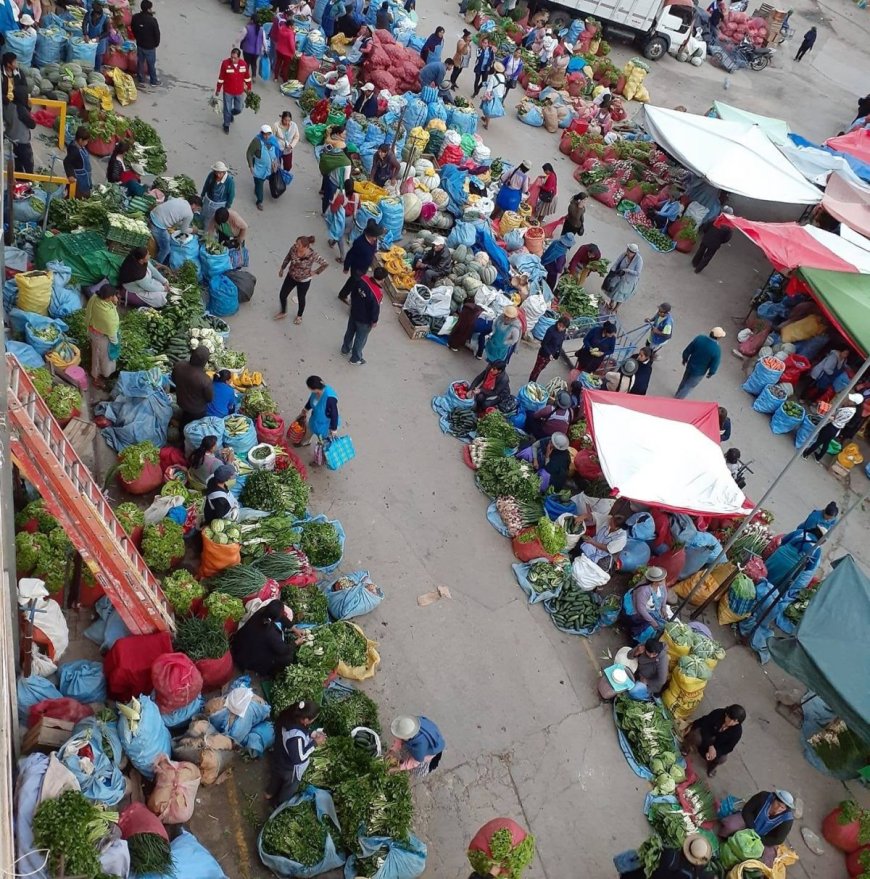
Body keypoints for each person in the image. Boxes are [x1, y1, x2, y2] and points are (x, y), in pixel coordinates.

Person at [266, 700, 325, 803]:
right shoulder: (295, 738)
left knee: (276, 776)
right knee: (290, 786)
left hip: (279, 755)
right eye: (313, 719)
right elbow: (298, 758)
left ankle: (269, 793)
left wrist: (311, 733)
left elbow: (300, 730)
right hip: (289, 767)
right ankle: (280, 804)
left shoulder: (289, 715)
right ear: (306, 720)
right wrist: (315, 743)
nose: (313, 721)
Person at [231, 599, 296, 677]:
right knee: (287, 658)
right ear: (275, 618)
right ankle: (268, 673)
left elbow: (280, 616)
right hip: (247, 657)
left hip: (240, 644)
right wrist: (296, 643)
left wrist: (293, 628)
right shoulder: (270, 633)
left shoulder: (263, 611)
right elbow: (283, 650)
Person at [275, 235, 328, 324]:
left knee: (301, 298)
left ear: (306, 247)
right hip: (291, 276)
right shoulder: (293, 249)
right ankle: (283, 311)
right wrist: (282, 268)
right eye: (296, 243)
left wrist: (315, 272)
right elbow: (288, 257)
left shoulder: (313, 255)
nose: (296, 246)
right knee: (282, 295)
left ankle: (299, 316)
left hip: (304, 281)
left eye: (299, 245)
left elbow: (325, 264)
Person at [682, 705, 746, 777]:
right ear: (726, 714)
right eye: (730, 718)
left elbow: (729, 747)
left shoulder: (737, 732)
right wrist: (710, 745)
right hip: (705, 737)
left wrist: (715, 752)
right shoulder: (718, 714)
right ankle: (686, 747)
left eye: (735, 721)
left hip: (716, 747)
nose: (730, 722)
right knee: (695, 736)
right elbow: (705, 727)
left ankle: (711, 767)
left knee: (722, 758)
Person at [342, 266, 384, 365]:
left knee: (350, 332)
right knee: (360, 339)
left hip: (354, 312)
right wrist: (374, 321)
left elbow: (353, 293)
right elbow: (375, 309)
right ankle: (355, 358)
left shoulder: (362, 279)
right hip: (364, 320)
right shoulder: (377, 292)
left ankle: (345, 349)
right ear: (382, 279)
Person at [1, 53, 35, 174]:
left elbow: (23, 86)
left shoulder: (19, 73)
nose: (16, 64)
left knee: (18, 161)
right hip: (23, 141)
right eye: (14, 62)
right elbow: (32, 124)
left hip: (13, 137)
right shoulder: (20, 110)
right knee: (27, 163)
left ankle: (20, 177)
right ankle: (29, 181)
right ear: (8, 64)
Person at [801, 394, 861, 460]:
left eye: (850, 400)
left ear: (853, 403)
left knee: (819, 441)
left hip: (832, 427)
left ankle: (806, 454)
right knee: (826, 442)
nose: (848, 400)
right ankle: (818, 457)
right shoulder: (853, 410)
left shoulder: (847, 411)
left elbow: (835, 418)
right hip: (836, 429)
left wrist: (825, 414)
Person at [620, 565, 669, 643]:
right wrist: (653, 622)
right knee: (649, 628)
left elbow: (665, 593)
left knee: (663, 623)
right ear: (654, 581)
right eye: (661, 580)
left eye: (663, 579)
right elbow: (641, 609)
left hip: (651, 609)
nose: (663, 581)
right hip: (637, 612)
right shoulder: (644, 591)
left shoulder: (661, 584)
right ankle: (634, 638)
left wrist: (663, 608)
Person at [85, 284, 120, 389]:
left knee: (102, 356)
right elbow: (111, 331)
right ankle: (96, 378)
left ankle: (104, 374)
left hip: (96, 329)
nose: (115, 297)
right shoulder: (106, 316)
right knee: (99, 357)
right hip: (99, 336)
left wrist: (115, 302)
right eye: (113, 296)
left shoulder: (95, 297)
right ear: (109, 298)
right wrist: (115, 342)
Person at [338, 221, 382, 303]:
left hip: (364, 267)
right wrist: (346, 267)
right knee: (354, 282)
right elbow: (350, 254)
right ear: (369, 234)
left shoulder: (374, 241)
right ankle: (344, 295)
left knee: (354, 281)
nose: (375, 239)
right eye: (374, 236)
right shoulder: (359, 242)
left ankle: (345, 294)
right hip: (357, 268)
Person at [675, 328, 726, 398]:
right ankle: (677, 399)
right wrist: (711, 373)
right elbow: (715, 364)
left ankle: (677, 393)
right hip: (699, 372)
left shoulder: (700, 338)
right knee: (688, 386)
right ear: (718, 337)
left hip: (690, 365)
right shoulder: (717, 350)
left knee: (684, 381)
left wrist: (685, 358)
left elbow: (688, 349)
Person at [149, 195, 201, 263]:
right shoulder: (190, 214)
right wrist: (193, 230)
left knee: (167, 238)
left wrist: (182, 224)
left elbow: (175, 216)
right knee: (166, 249)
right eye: (198, 208)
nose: (197, 211)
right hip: (157, 226)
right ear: (194, 205)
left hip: (152, 214)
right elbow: (184, 230)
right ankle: (156, 265)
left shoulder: (180, 199)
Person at [172, 345, 214, 425]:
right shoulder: (205, 380)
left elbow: (174, 380)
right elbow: (209, 399)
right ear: (205, 362)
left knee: (184, 421)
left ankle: (182, 431)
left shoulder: (179, 365)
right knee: (194, 427)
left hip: (181, 403)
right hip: (197, 410)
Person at [215, 47, 253, 134]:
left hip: (239, 92)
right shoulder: (225, 64)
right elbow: (221, 78)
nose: (232, 59)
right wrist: (218, 89)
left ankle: (230, 114)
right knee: (227, 109)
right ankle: (226, 124)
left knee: (239, 109)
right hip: (228, 91)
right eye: (231, 57)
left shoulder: (243, 65)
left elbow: (247, 78)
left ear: (239, 57)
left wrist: (249, 88)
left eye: (235, 58)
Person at [246, 124, 282, 211]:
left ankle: (258, 189)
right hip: (259, 168)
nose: (266, 136)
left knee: (265, 181)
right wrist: (251, 166)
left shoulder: (273, 140)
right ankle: (259, 201)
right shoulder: (257, 141)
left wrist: (277, 162)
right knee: (259, 183)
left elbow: (276, 152)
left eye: (268, 134)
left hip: (270, 168)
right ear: (261, 133)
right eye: (264, 134)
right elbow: (249, 153)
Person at [297, 376, 339, 447]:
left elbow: (334, 414)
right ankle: (305, 442)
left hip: (325, 425)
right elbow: (311, 400)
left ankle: (323, 454)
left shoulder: (330, 398)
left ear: (314, 389)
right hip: (315, 419)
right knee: (309, 430)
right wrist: (305, 409)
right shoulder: (316, 392)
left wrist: (334, 429)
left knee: (323, 441)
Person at [529, 314, 569, 382]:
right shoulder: (551, 330)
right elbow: (543, 343)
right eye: (559, 325)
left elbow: (560, 342)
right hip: (544, 354)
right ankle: (531, 382)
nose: (560, 328)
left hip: (551, 355)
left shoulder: (563, 332)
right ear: (557, 323)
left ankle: (533, 381)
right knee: (537, 369)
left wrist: (557, 353)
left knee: (541, 368)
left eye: (563, 327)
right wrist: (549, 353)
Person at [604, 244, 643, 313]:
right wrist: (612, 270)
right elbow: (617, 262)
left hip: (628, 281)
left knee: (621, 295)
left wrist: (628, 270)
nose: (628, 253)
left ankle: (616, 308)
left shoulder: (639, 260)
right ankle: (611, 303)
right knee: (613, 290)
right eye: (628, 250)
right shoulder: (624, 255)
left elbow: (637, 273)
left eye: (631, 252)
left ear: (634, 253)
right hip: (619, 276)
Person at [326, 179, 357, 261]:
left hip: (342, 219)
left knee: (340, 236)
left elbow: (333, 210)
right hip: (350, 219)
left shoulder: (340, 197)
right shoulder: (356, 197)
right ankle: (332, 242)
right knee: (341, 233)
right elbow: (359, 207)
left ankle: (343, 257)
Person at [131, 0, 161, 86]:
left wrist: (137, 37)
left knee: (140, 62)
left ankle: (141, 79)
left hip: (140, 44)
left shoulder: (135, 17)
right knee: (151, 64)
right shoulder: (152, 20)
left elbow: (133, 28)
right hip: (150, 46)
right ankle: (153, 81)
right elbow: (157, 34)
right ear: (148, 9)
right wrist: (156, 43)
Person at [200, 161, 236, 228]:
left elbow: (231, 195)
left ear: (224, 172)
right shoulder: (211, 175)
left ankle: (206, 231)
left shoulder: (229, 181)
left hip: (218, 204)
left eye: (220, 173)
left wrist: (227, 206)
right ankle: (200, 225)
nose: (218, 175)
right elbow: (206, 185)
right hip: (208, 199)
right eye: (216, 172)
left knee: (211, 219)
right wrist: (202, 195)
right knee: (203, 214)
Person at [63, 126, 93, 199]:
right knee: (75, 198)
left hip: (85, 179)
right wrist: (70, 175)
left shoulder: (80, 146)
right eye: (86, 141)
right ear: (80, 140)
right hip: (79, 182)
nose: (87, 143)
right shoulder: (74, 150)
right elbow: (67, 162)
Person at [480, 60, 507, 130]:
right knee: (490, 109)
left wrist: (484, 96)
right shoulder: (503, 77)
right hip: (500, 96)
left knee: (488, 109)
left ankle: (487, 125)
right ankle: (485, 118)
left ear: (495, 69)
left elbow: (489, 89)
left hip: (493, 96)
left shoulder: (493, 77)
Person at [85, 2, 110, 71]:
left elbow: (107, 32)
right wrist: (85, 34)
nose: (96, 17)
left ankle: (97, 71)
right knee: (89, 58)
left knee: (98, 58)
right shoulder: (88, 14)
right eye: (95, 15)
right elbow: (84, 24)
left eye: (97, 16)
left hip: (100, 42)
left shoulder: (105, 18)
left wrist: (99, 37)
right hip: (90, 39)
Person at [271, 18, 297, 82]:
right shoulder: (290, 34)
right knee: (285, 67)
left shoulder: (281, 28)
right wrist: (294, 52)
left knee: (278, 63)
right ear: (290, 26)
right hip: (287, 53)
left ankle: (275, 78)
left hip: (279, 49)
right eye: (293, 26)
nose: (294, 27)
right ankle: (285, 80)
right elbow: (292, 45)